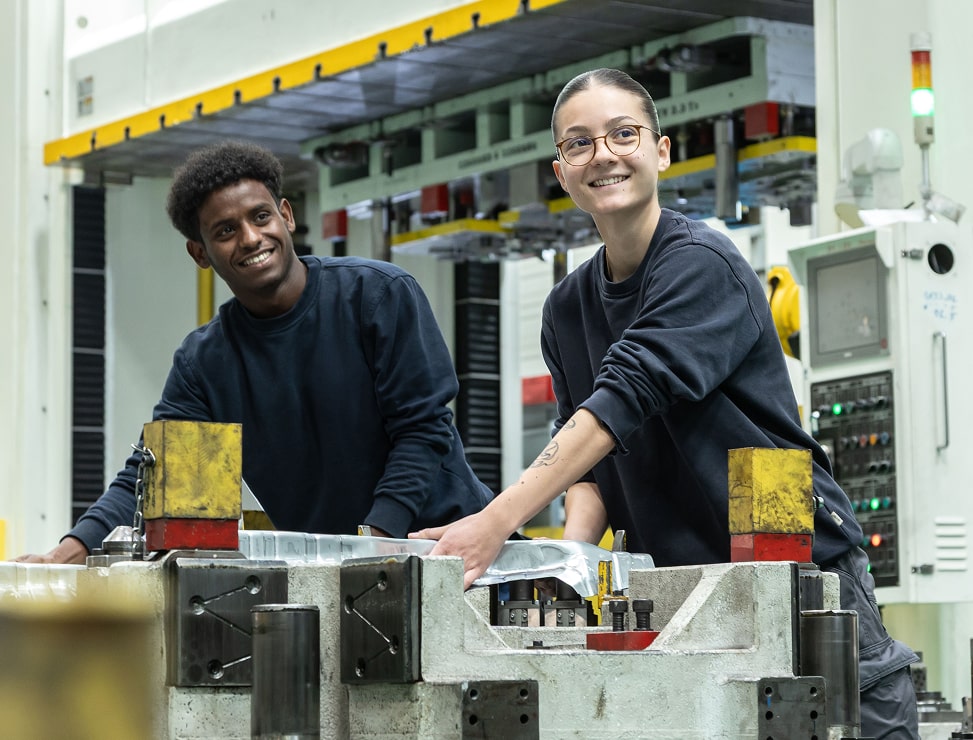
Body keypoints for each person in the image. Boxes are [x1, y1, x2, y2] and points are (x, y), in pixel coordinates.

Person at [411, 68, 919, 739]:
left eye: (623, 134)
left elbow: (623, 399)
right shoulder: (567, 307)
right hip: (679, 587)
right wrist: (569, 567)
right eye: (579, 143)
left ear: (661, 150)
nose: (604, 155)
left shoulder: (702, 262)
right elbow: (589, 455)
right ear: (560, 170)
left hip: (798, 571)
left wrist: (495, 521)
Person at [17, 140, 492, 565]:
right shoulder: (204, 362)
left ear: (285, 215)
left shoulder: (378, 296)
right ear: (200, 253)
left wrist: (375, 541)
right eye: (224, 231)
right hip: (333, 572)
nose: (249, 238)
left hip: (444, 550)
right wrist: (68, 551)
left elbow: (422, 430)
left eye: (260, 217)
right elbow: (156, 475)